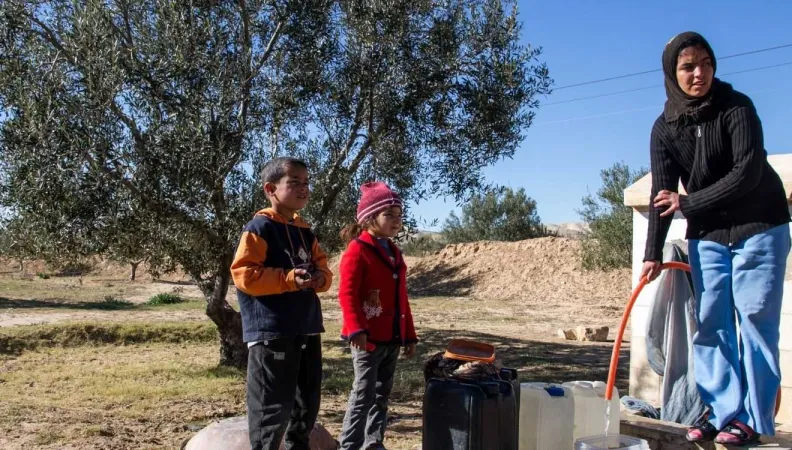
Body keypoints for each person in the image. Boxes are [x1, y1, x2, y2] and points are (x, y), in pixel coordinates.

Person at [642, 31, 791, 445]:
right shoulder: (665, 127)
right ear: (673, 73)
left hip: (760, 226)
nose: (699, 73)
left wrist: (689, 203)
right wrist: (652, 253)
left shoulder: (737, 107)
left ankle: (753, 418)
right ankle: (721, 410)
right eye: (688, 66)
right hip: (707, 235)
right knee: (711, 325)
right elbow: (662, 193)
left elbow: (747, 173)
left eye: (705, 63)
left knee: (754, 322)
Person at [230, 157, 333, 450]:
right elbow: (244, 275)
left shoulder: (305, 232)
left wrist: (319, 279)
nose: (304, 188)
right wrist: (288, 278)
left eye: (306, 182)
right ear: (271, 189)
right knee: (271, 407)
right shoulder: (259, 228)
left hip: (307, 329)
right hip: (272, 332)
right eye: (295, 182)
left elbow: (324, 269)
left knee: (306, 404)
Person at [337, 182, 418, 450]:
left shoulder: (394, 252)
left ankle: (373, 443)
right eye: (389, 215)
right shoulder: (358, 250)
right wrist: (356, 330)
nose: (397, 221)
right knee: (363, 394)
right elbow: (347, 293)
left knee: (382, 395)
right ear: (370, 218)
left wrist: (409, 335)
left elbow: (401, 298)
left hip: (392, 338)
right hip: (368, 339)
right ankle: (349, 445)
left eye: (399, 214)